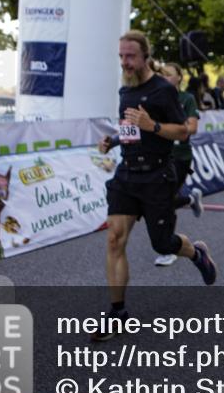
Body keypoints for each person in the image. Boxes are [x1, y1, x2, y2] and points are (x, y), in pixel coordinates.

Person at [92, 31, 217, 341]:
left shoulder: (163, 90)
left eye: (130, 56)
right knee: (114, 240)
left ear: (146, 56)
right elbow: (133, 131)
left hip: (157, 177)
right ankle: (117, 314)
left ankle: (197, 252)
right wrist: (114, 141)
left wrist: (154, 126)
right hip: (127, 175)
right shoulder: (125, 90)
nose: (125, 62)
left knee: (162, 244)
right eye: (121, 56)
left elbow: (183, 132)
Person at [152, 62, 205, 266]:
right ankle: (190, 199)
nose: (164, 77)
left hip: (180, 156)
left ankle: (168, 249)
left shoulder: (187, 99)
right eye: (161, 74)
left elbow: (192, 128)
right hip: (159, 156)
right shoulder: (155, 99)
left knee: (165, 200)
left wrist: (169, 128)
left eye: (168, 74)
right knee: (162, 200)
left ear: (179, 78)